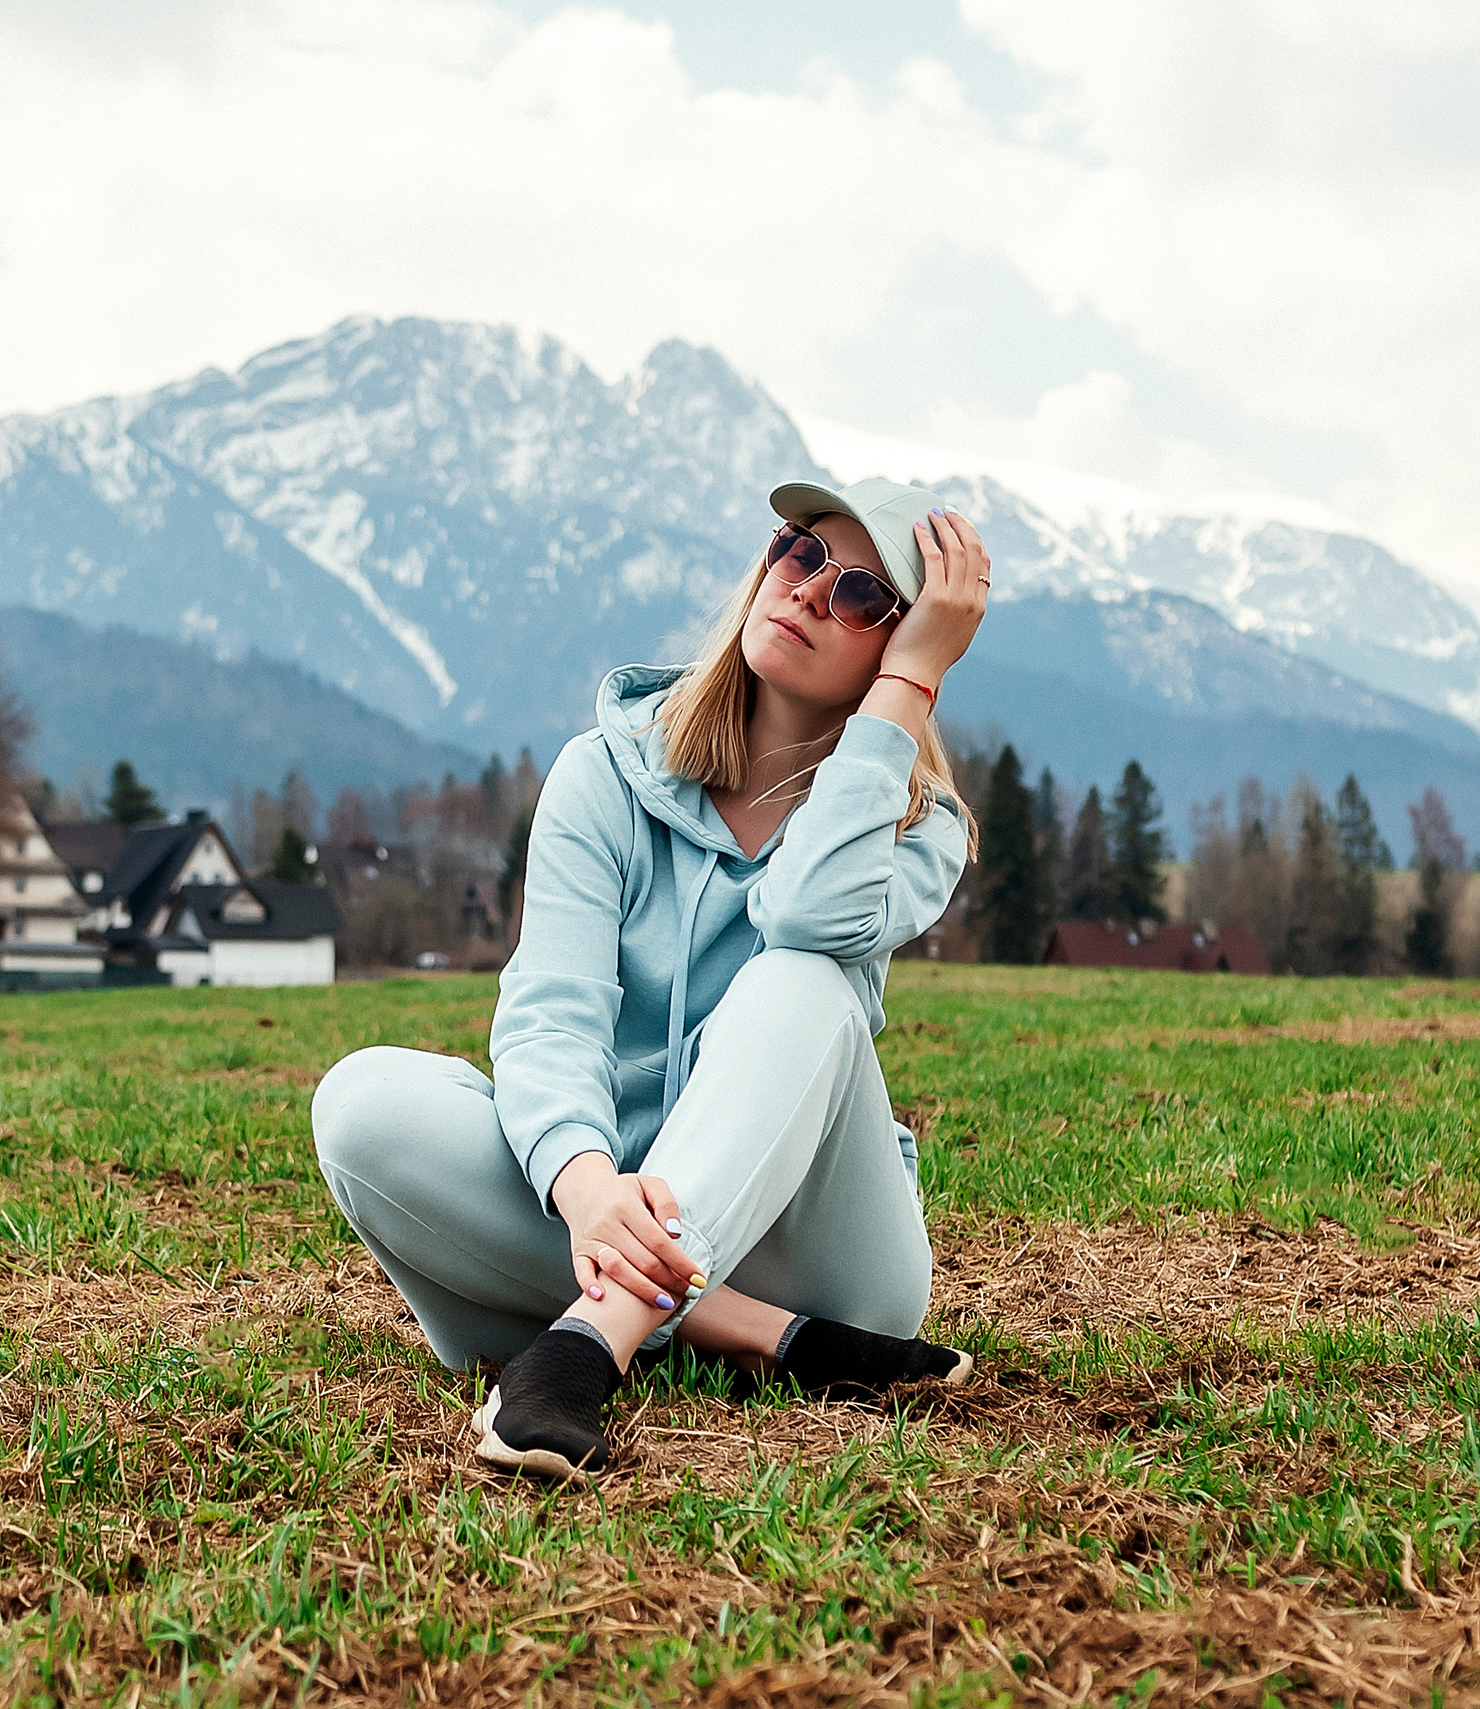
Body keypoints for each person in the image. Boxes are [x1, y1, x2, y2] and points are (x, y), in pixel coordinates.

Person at [313, 476, 989, 1481]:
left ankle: (581, 1345)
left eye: (858, 596)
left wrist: (904, 694)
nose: (805, 591)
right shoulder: (604, 773)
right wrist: (585, 1189)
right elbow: (549, 1019)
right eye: (799, 553)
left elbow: (807, 916)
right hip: (617, 1221)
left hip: (826, 1256)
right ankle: (758, 1334)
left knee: (800, 978)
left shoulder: (912, 828)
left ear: (897, 647)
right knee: (361, 1102)